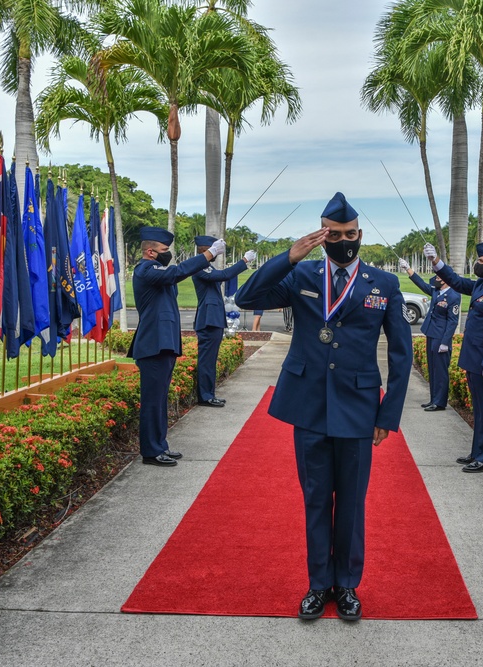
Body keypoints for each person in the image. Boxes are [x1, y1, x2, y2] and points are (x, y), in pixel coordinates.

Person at [236, 191, 412, 622]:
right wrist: (288, 257)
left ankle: (348, 586)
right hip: (309, 405)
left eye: (349, 234)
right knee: (316, 498)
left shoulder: (383, 285)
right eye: (333, 234)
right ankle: (318, 585)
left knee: (351, 501)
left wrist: (387, 416)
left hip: (358, 407)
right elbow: (246, 298)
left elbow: (402, 355)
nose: (342, 240)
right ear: (321, 235)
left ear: (361, 235)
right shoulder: (304, 275)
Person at [131, 227, 225, 467]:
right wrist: (209, 254)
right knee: (152, 401)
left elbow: (173, 275)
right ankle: (151, 451)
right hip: (152, 346)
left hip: (163, 344)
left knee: (160, 399)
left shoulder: (157, 271)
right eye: (164, 250)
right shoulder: (145, 270)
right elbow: (177, 272)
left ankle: (160, 444)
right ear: (150, 252)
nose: (168, 253)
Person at [423, 241, 483, 473]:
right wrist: (436, 261)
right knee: (479, 409)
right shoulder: (482, 285)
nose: (477, 265)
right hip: (474, 358)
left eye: (481, 262)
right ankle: (478, 452)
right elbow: (455, 281)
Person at [191, 236, 256, 407]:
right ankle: (205, 396)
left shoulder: (205, 266)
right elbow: (224, 275)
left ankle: (209, 393)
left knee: (210, 360)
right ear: (204, 249)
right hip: (208, 319)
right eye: (213, 248)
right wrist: (244, 260)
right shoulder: (199, 267)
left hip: (213, 319)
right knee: (206, 361)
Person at [400, 258, 458, 411]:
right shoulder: (436, 291)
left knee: (440, 371)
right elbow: (421, 284)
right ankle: (433, 399)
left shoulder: (453, 296)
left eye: (439, 277)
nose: (436, 279)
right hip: (431, 333)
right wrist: (408, 269)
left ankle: (440, 402)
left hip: (441, 337)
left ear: (446, 279)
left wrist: (446, 342)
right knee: (433, 369)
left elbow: (452, 321)